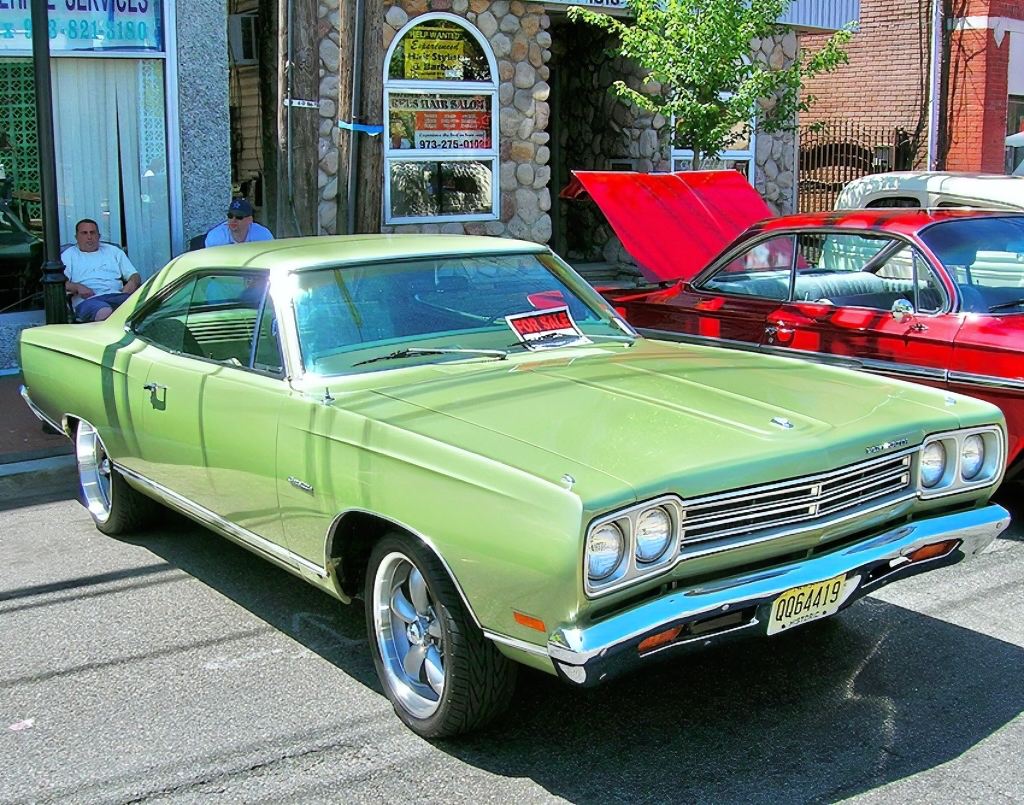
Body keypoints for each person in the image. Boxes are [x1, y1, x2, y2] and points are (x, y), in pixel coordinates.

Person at [62, 219, 141, 323]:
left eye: (92, 233)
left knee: (143, 309)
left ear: (99, 236)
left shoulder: (113, 251)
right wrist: (77, 287)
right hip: (88, 300)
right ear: (76, 237)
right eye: (84, 233)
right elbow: (60, 284)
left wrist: (132, 283)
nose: (89, 237)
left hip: (116, 295)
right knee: (104, 312)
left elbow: (134, 275)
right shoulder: (68, 255)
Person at [204, 198, 274, 247]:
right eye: (230, 216)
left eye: (239, 217)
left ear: (250, 219)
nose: (233, 220)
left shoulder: (263, 236)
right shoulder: (215, 237)